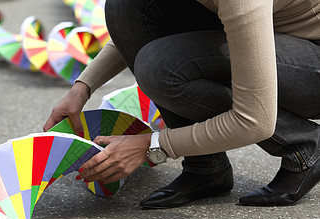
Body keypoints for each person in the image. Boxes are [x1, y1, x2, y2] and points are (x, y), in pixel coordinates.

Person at [44, 0, 320, 208]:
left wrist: (153, 146)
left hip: (312, 58)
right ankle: (206, 167)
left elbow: (255, 120)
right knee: (125, 6)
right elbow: (135, 29)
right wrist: (82, 88)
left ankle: (304, 147)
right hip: (268, 32)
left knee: (163, 68)